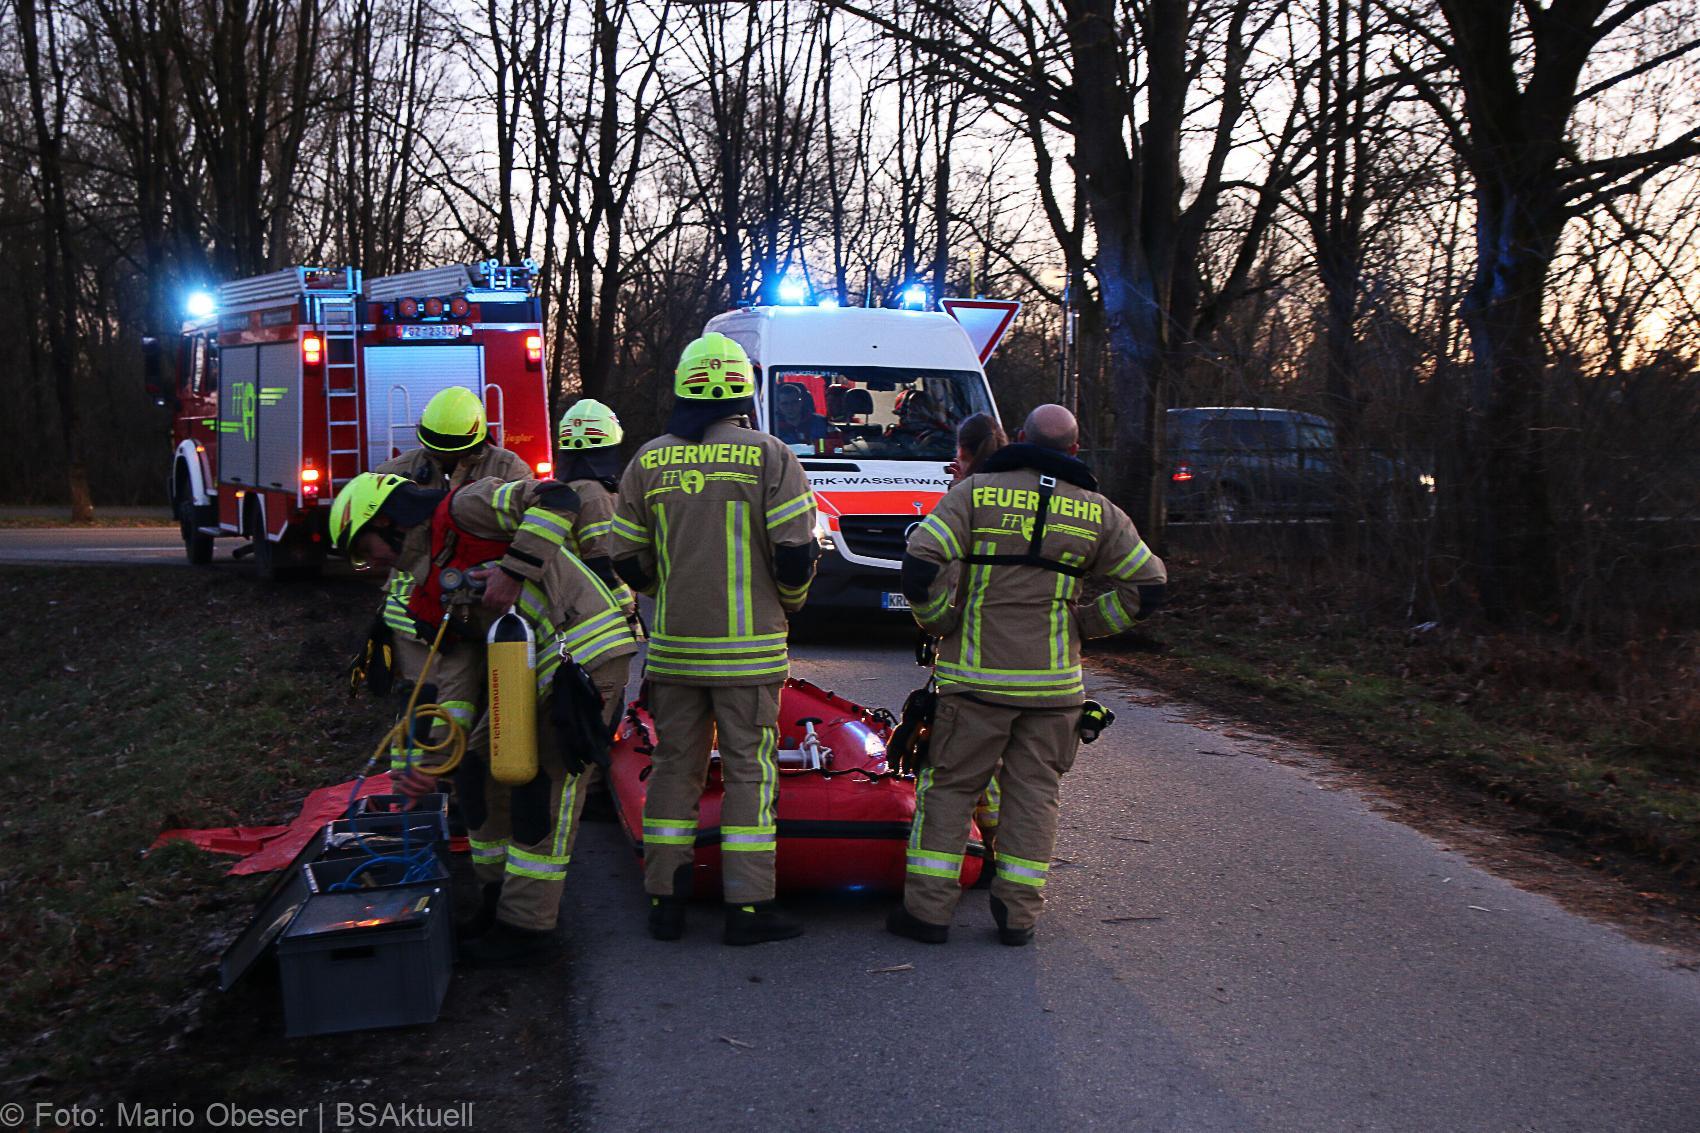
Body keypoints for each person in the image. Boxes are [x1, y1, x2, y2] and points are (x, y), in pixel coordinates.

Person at [329, 470, 637, 966]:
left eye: (364, 549)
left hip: (582, 656)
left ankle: (527, 928)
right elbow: (454, 682)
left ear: (385, 521)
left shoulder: (465, 508)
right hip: (519, 667)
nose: (369, 563)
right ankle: (496, 901)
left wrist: (513, 570)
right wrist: (431, 763)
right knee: (476, 770)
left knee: (544, 787)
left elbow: (556, 498)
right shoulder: (421, 587)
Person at [889, 404, 1167, 946]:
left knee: (949, 790)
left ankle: (927, 914)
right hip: (1054, 690)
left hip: (976, 684)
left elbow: (921, 563)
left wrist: (941, 620)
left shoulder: (974, 494)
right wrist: (1083, 625)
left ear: (1017, 438)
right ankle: (1017, 917)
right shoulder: (1101, 513)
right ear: (1076, 451)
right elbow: (1149, 587)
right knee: (1035, 797)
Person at [609, 332, 819, 946]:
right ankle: (748, 909)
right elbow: (796, 553)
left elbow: (627, 557)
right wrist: (789, 606)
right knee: (751, 773)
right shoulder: (771, 455)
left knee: (675, 769)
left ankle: (665, 904)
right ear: (745, 393)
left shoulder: (647, 460)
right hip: (750, 655)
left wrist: (667, 592)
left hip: (673, 652)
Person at [362, 386, 533, 693]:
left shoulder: (508, 468)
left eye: (453, 448)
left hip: (481, 606)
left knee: (485, 695)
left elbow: (527, 530)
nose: (443, 455)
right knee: (422, 699)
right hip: (412, 612)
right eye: (436, 446)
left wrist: (510, 573)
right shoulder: (397, 472)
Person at [556, 398, 639, 626]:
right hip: (598, 612)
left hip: (571, 604)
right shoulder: (594, 494)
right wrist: (627, 609)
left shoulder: (567, 488)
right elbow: (602, 558)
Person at [773, 382, 829, 449]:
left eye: (794, 402)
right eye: (785, 404)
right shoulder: (773, 427)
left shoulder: (821, 423)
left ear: (801, 402)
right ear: (778, 406)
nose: (790, 407)